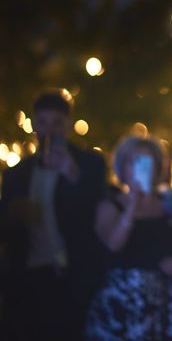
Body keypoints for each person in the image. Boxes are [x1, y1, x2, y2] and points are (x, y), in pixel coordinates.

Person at [0, 90, 107, 340]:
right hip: (28, 279)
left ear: (68, 125)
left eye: (57, 123)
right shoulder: (18, 174)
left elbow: (97, 214)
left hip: (73, 277)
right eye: (43, 123)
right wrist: (13, 214)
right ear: (34, 124)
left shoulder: (90, 164)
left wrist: (72, 174)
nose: (49, 130)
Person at [85, 135, 172, 340]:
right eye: (135, 161)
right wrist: (132, 207)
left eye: (147, 162)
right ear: (123, 166)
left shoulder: (171, 205)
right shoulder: (110, 205)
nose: (142, 168)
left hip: (161, 301)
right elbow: (113, 246)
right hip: (122, 302)